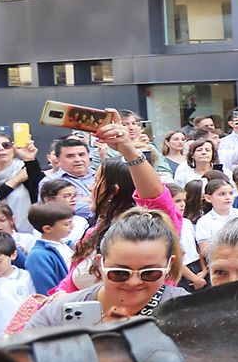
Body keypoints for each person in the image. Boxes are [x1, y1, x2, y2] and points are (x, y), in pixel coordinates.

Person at [57, 119, 182, 294]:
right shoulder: (95, 232)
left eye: (96, 181)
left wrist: (128, 150)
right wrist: (58, 298)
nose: (91, 188)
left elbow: (156, 198)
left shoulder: (153, 224)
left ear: (113, 190)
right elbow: (69, 283)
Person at [20, 209, 188, 332]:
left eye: (149, 273)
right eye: (120, 273)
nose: (134, 282)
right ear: (101, 264)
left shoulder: (188, 312)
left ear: (168, 265)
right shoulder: (55, 315)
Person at [0, 131, 41, 232]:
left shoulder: (27, 169)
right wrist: (16, 180)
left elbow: (39, 194)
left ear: (13, 149)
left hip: (27, 234)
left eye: (6, 145)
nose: (1, 149)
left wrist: (29, 159)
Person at [194, 172, 238, 260]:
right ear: (208, 198)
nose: (228, 197)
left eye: (230, 193)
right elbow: (205, 250)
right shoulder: (204, 222)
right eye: (222, 194)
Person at [24, 201, 76, 295]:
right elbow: (47, 290)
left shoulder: (65, 245)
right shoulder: (38, 256)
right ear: (47, 229)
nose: (72, 226)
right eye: (67, 224)